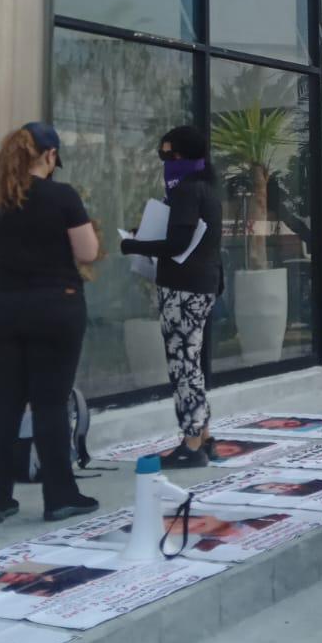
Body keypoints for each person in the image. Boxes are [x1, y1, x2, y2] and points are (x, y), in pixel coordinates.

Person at [0, 122, 101, 525]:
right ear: (50, 156)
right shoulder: (62, 195)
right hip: (53, 307)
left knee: (1, 402)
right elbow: (88, 251)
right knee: (49, 402)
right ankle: (59, 496)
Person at [121, 126, 223, 469]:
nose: (167, 163)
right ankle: (204, 435)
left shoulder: (186, 192)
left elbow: (178, 243)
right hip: (202, 284)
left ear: (185, 156)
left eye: (171, 155)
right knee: (190, 360)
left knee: (183, 364)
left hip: (183, 287)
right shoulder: (206, 188)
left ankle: (191, 441)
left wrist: (133, 245)